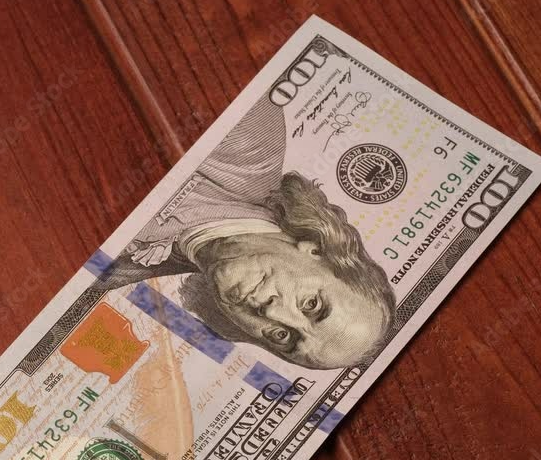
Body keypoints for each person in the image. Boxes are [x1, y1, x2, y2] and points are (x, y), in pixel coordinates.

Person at [96, 98, 395, 369]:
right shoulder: (249, 140)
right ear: (316, 249)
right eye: (311, 304)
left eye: (282, 337)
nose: (273, 314)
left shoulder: (112, 273)